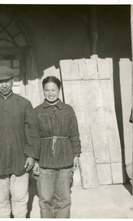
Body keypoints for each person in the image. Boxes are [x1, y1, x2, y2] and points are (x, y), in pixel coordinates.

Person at [0, 66, 39, 218]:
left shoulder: (24, 104)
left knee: (20, 199)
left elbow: (32, 132)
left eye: (7, 81)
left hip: (20, 160)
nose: (4, 85)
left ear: (12, 81)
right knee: (1, 200)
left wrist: (31, 155)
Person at [32, 76, 81, 218]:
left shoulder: (68, 110)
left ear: (59, 90)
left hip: (65, 159)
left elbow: (74, 134)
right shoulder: (37, 112)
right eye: (47, 90)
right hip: (44, 161)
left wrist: (76, 155)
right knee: (45, 199)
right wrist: (35, 160)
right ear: (43, 91)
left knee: (64, 200)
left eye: (53, 89)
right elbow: (33, 138)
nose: (50, 93)